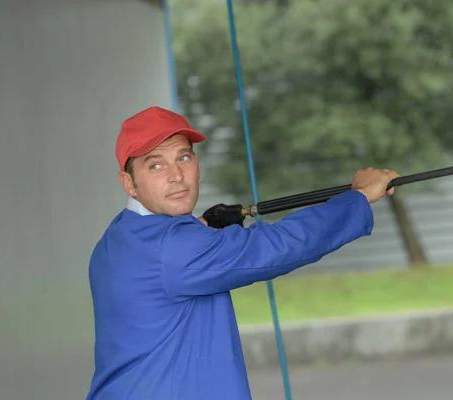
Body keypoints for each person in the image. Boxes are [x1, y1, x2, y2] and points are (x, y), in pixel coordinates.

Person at [85, 106, 400, 400]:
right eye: (155, 165)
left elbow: (167, 269)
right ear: (129, 183)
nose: (176, 175)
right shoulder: (177, 249)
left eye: (183, 158)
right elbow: (275, 247)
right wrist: (357, 198)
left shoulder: (114, 241)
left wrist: (205, 225)